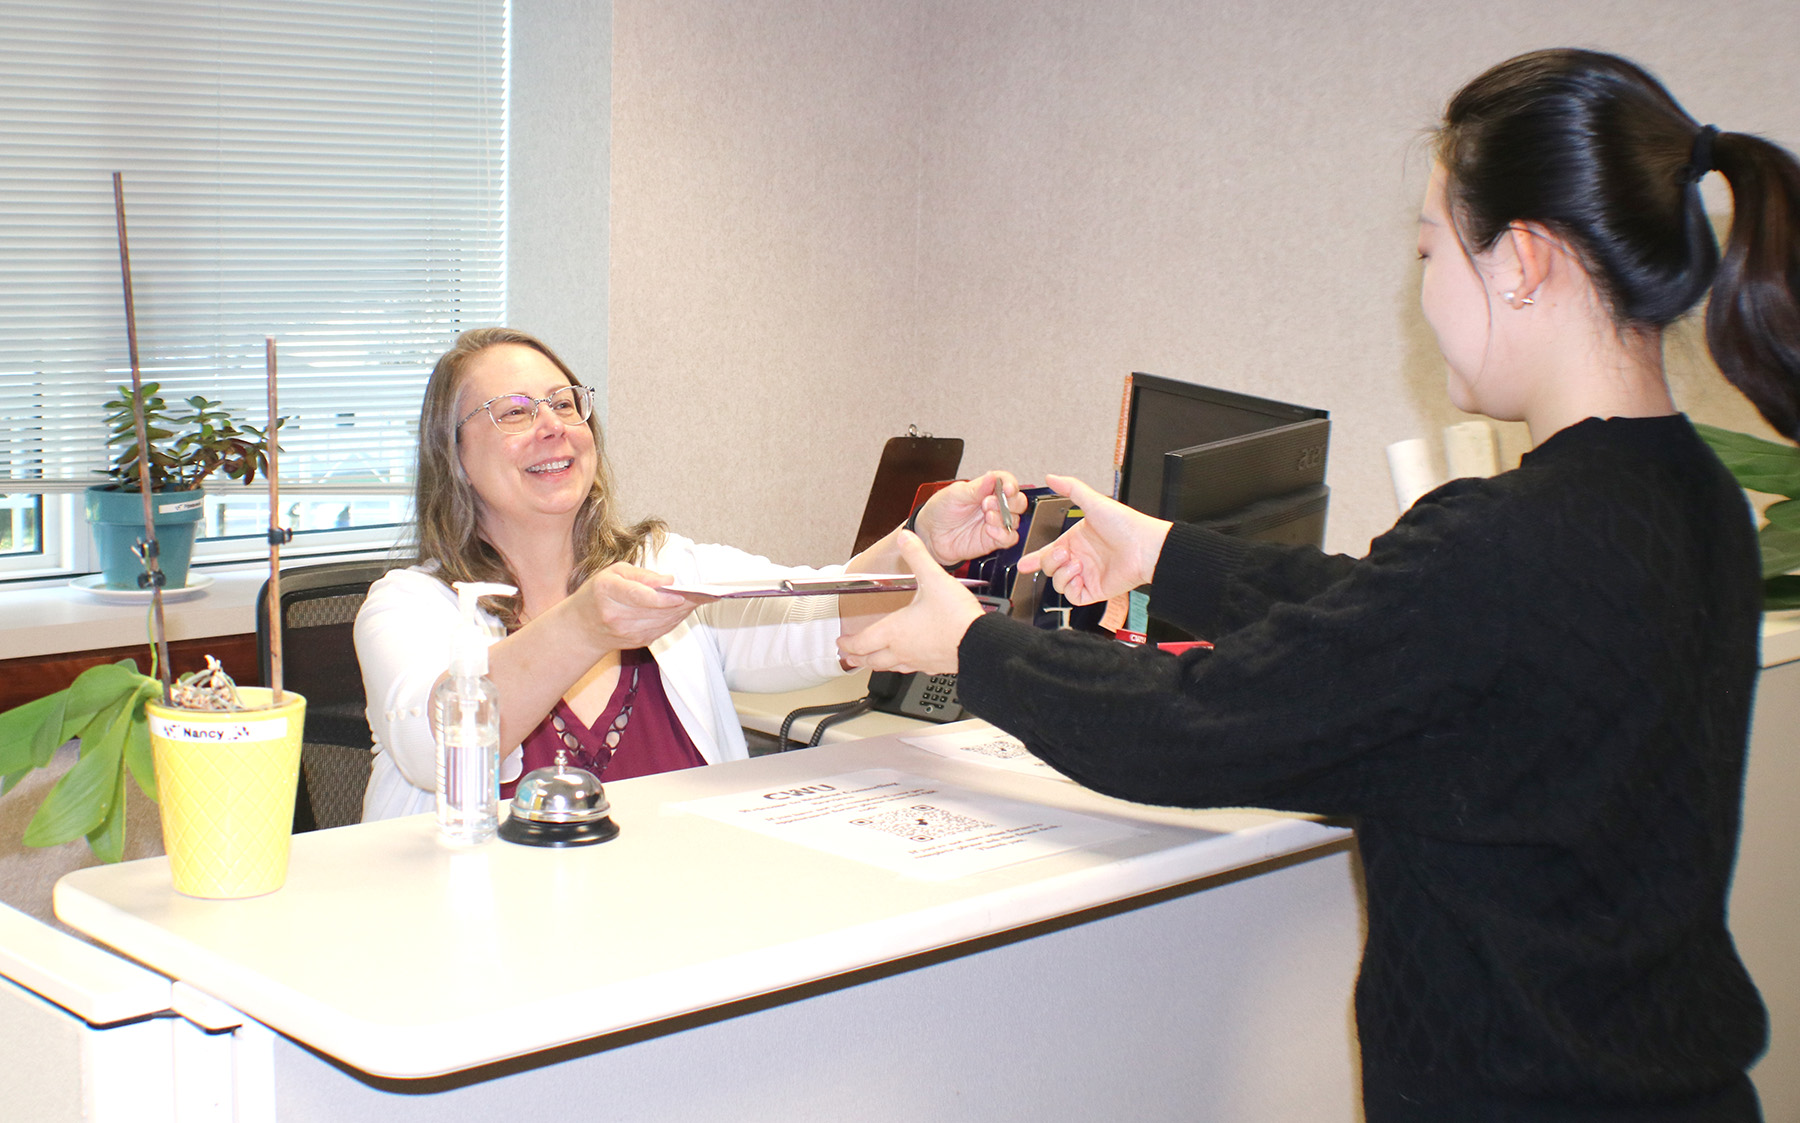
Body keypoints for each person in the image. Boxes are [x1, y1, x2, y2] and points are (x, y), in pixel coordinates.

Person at [840, 49, 1800, 1121]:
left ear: (1523, 261)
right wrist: (1165, 553)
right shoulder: (1697, 500)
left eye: (1431, 249)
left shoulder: (1507, 545)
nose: (1425, 291)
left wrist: (972, 642)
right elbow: (1389, 616)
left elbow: (1195, 725)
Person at [357, 326, 1022, 822]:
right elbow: (432, 745)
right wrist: (585, 625)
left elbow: (814, 616)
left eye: (565, 404)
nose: (553, 427)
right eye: (515, 412)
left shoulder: (667, 567)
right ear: (454, 454)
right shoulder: (407, 607)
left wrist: (918, 542)